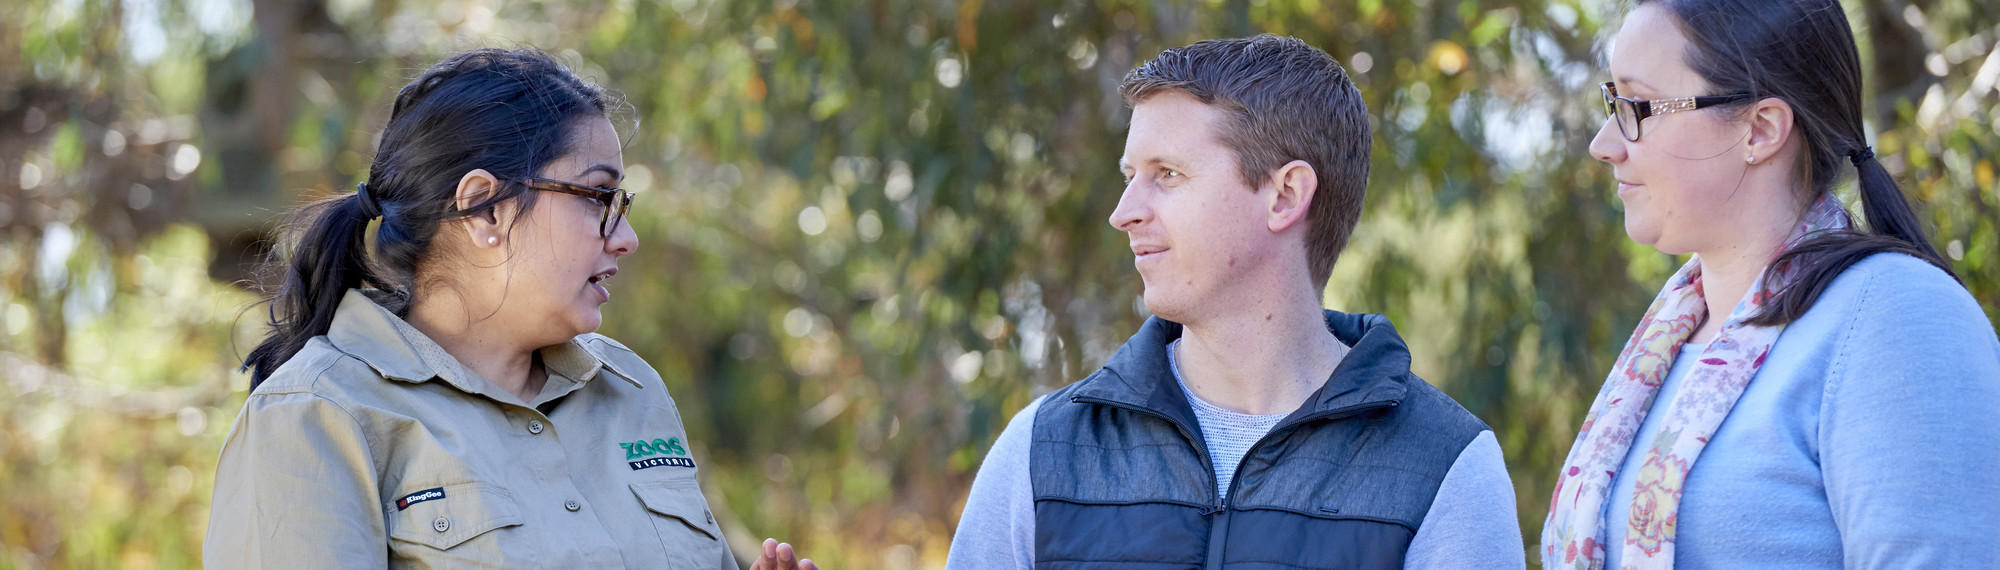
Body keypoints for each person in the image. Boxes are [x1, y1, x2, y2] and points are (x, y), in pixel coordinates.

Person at [205, 48, 814, 570]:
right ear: (485, 208)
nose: (625, 236)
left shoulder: (631, 391)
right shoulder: (316, 418)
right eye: (599, 197)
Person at [947, 35, 1525, 569]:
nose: (1123, 213)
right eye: (1130, 176)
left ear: (1285, 196)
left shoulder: (1446, 467)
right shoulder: (1042, 453)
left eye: (1166, 174)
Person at [1542, 1, 2000, 567]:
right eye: (1614, 103)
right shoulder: (1665, 347)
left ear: (1759, 130)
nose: (1605, 142)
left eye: (1637, 106)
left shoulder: (1897, 320)